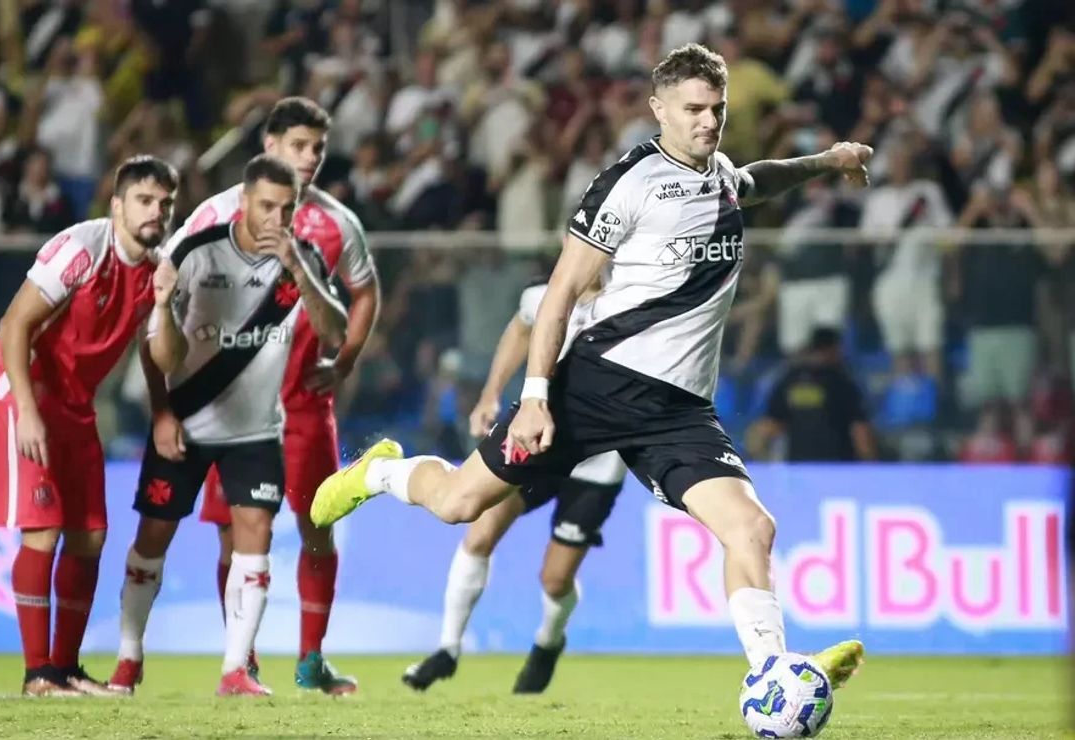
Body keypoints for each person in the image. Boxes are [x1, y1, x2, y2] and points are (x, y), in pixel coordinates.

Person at [311, 43, 870, 690]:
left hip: (678, 412)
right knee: (461, 505)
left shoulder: (721, 174)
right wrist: (535, 396)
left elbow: (759, 180)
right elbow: (556, 296)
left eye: (717, 109)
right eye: (692, 109)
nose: (708, 122)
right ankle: (378, 471)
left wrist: (829, 161)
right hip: (595, 388)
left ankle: (773, 673)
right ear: (658, 108)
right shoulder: (628, 184)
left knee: (752, 527)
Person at [107, 155, 347, 697]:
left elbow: (334, 331)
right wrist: (163, 408)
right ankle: (128, 659)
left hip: (257, 430)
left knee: (256, 535)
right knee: (152, 539)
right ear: (243, 203)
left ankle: (236, 670)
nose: (275, 219)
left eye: (286, 210)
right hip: (187, 422)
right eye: (266, 206)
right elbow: (160, 354)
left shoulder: (301, 258)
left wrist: (300, 269)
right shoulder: (196, 252)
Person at [176, 96, 380, 693]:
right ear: (268, 147)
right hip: (233, 406)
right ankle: (243, 659)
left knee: (320, 525)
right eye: (298, 146)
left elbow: (364, 294)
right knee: (230, 535)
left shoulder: (338, 224)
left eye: (318, 147)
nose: (311, 157)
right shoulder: (214, 216)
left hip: (302, 405)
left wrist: (344, 361)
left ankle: (311, 661)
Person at [0, 155, 178, 696]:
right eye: (143, 200)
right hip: (21, 391)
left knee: (90, 536)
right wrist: (28, 408)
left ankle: (64, 667)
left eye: (163, 203)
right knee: (44, 528)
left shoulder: (159, 269)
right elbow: (13, 322)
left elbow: (156, 354)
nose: (155, 211)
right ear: (117, 206)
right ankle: (38, 672)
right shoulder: (82, 248)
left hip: (75, 404)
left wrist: (162, 411)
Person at [403, 278, 627, 694]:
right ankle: (448, 649)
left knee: (555, 580)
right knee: (480, 530)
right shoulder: (543, 297)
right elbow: (521, 329)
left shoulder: (630, 303)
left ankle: (548, 642)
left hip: (598, 461)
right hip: (539, 441)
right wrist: (489, 394)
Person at [746, 327, 878, 462]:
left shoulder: (790, 380)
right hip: (836, 467)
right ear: (834, 348)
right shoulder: (842, 381)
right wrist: (870, 466)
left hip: (798, 467)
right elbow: (860, 431)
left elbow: (769, 426)